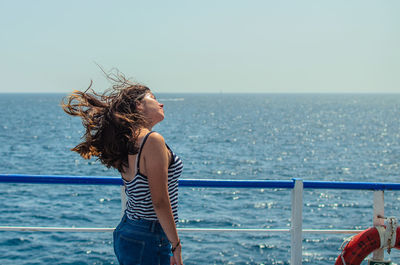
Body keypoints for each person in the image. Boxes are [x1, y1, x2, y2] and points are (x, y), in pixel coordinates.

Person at [62, 71, 184, 265]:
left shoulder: (128, 143)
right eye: (153, 98)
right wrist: (175, 244)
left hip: (129, 230)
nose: (161, 103)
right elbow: (159, 201)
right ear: (138, 105)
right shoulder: (152, 141)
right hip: (149, 235)